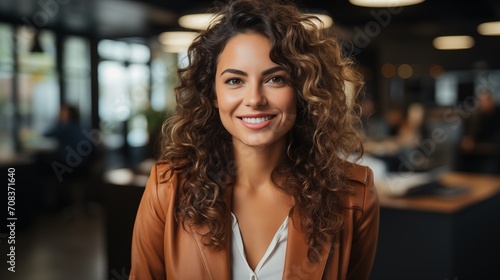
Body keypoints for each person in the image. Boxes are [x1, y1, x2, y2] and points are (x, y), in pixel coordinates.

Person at [130, 0, 379, 279]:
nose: (254, 100)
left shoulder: (354, 195)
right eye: (235, 81)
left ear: (302, 89)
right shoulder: (167, 187)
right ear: (213, 94)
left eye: (275, 79)